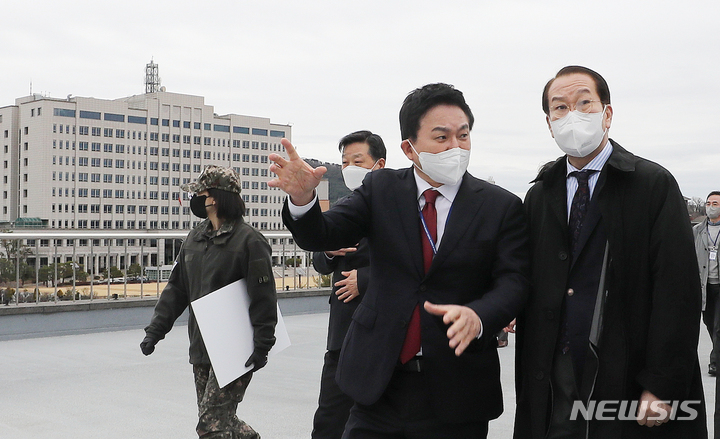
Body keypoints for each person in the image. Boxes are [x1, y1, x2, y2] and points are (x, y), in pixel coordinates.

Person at [270, 83, 529, 438]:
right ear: (409, 147)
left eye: (463, 136)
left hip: (458, 390)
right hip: (379, 383)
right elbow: (325, 234)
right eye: (441, 138)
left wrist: (480, 317)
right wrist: (303, 200)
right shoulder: (381, 190)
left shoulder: (500, 207)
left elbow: (514, 282)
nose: (455, 147)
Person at [514, 65, 706, 438]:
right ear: (549, 122)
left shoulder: (651, 185)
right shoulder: (540, 194)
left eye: (585, 103)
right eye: (560, 107)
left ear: (607, 114)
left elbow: (677, 289)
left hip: (626, 371)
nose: (572, 115)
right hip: (557, 371)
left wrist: (662, 383)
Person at [140, 165, 277, 439]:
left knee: (210, 424)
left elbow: (264, 296)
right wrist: (155, 331)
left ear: (215, 197)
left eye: (200, 193)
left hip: (237, 347)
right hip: (202, 344)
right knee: (217, 418)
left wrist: (263, 344)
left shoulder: (249, 241)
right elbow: (177, 288)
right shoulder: (195, 238)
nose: (196, 199)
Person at [311, 130, 386, 439]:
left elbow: (417, 267)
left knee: (376, 419)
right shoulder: (344, 205)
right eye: (345, 162)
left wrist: (366, 280)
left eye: (358, 160)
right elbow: (318, 259)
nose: (350, 167)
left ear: (379, 165)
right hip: (342, 332)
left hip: (382, 332)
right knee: (330, 417)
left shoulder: (402, 209)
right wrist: (328, 250)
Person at [694, 191, 720, 376]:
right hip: (704, 286)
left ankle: (715, 362)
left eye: (715, 203)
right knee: (710, 324)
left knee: (719, 327)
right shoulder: (696, 231)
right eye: (709, 203)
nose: (711, 206)